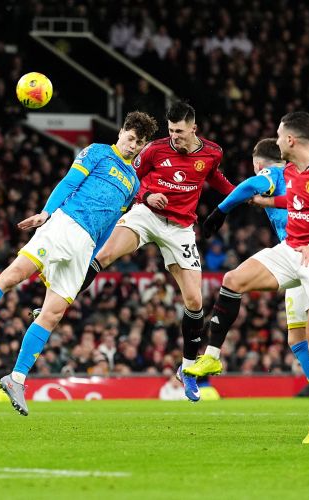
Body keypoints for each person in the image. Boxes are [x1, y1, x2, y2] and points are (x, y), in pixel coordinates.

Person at [0, 111, 159, 416]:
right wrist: (46, 212)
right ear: (122, 132)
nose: (133, 146)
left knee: (53, 313)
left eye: (139, 143)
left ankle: (16, 378)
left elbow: (110, 224)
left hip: (84, 246)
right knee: (14, 275)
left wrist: (92, 257)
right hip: (64, 224)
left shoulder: (133, 181)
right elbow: (69, 181)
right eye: (130, 138)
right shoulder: (98, 151)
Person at [186, 112, 309, 444]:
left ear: (291, 139)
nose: (275, 141)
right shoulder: (290, 172)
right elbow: (296, 198)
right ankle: (212, 357)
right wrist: (262, 203)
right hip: (292, 250)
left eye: (278, 135)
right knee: (233, 279)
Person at [76, 101, 234, 402]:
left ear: (194, 129)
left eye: (181, 131)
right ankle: (62, 298)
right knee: (105, 255)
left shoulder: (212, 152)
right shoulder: (154, 150)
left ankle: (187, 370)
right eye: (172, 130)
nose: (175, 136)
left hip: (181, 228)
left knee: (195, 300)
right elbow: (130, 178)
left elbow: (213, 176)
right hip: (146, 215)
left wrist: (238, 194)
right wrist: (148, 194)